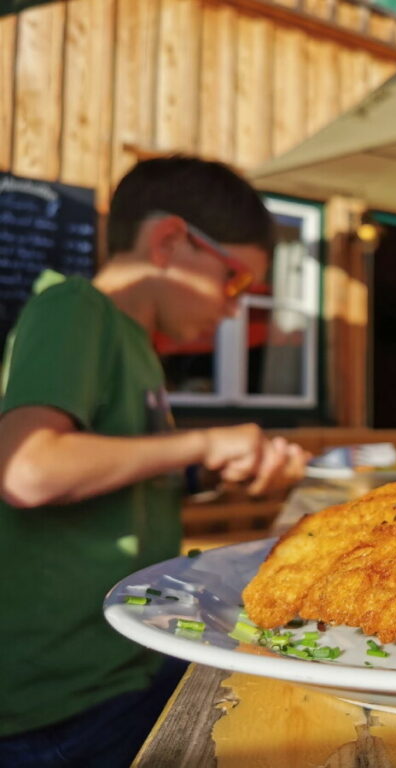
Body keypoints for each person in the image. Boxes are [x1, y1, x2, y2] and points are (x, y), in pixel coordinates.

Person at [0, 156, 309, 766]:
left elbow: (121, 480)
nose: (232, 309)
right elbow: (26, 469)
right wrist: (201, 443)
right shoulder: (73, 308)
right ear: (170, 241)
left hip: (131, 660)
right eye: (236, 281)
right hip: (64, 701)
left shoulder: (132, 346)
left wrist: (218, 476)